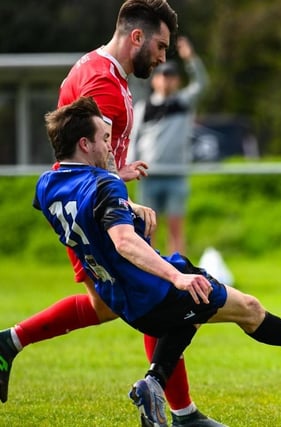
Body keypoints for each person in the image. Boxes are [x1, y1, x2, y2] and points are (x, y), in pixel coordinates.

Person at [35, 95, 281, 427]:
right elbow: (123, 241)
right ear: (84, 143)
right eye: (105, 139)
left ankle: (156, 385)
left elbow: (87, 211)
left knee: (194, 315)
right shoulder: (104, 186)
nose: (111, 146)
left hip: (120, 296)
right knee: (248, 308)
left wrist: (121, 197)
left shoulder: (47, 187)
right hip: (152, 288)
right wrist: (175, 278)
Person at [0, 2, 218, 426]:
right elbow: (85, 159)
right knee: (156, 296)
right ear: (136, 37)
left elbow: (83, 156)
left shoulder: (104, 72)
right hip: (96, 215)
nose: (161, 58)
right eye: (159, 46)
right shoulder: (100, 84)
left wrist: (119, 174)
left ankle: (10, 341)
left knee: (107, 306)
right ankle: (183, 413)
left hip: (90, 207)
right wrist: (125, 200)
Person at [128, 36, 210, 254]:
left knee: (176, 229)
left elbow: (202, 84)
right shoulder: (143, 108)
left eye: (171, 77)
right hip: (149, 176)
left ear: (177, 81)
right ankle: (152, 274)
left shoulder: (182, 103)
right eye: (163, 76)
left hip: (176, 175)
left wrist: (190, 59)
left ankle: (179, 275)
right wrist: (130, 169)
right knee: (148, 228)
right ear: (155, 80)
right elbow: (133, 141)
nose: (167, 80)